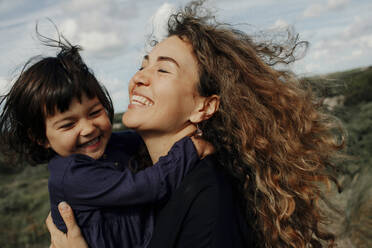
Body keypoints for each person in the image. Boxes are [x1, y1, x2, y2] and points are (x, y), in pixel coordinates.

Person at [46, 1, 345, 247]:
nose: (138, 78)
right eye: (142, 65)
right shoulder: (142, 175)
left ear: (205, 106)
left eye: (163, 69)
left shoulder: (207, 200)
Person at [0, 35, 213, 248]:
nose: (88, 128)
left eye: (94, 112)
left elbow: (148, 139)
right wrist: (190, 148)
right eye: (68, 125)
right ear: (40, 138)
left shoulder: (113, 145)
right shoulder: (72, 175)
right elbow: (147, 186)